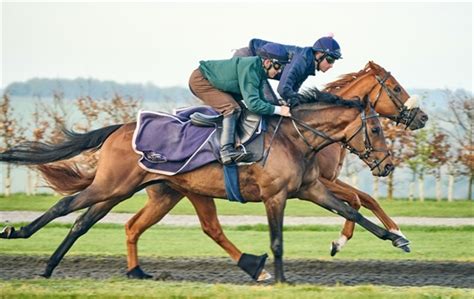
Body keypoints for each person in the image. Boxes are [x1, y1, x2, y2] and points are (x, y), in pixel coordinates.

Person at [189, 43, 292, 165]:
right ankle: (226, 151)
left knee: (242, 111)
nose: (279, 71)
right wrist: (279, 110)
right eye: (278, 66)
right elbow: (254, 104)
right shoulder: (251, 69)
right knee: (232, 109)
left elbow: (260, 100)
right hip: (201, 80)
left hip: (214, 82)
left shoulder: (259, 71)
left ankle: (236, 145)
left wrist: (279, 106)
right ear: (268, 62)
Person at [233, 35, 342, 105]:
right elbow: (283, 89)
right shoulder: (302, 61)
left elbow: (292, 92)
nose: (331, 65)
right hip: (247, 58)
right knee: (270, 103)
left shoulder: (308, 65)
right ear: (319, 54)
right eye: (330, 59)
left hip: (254, 62)